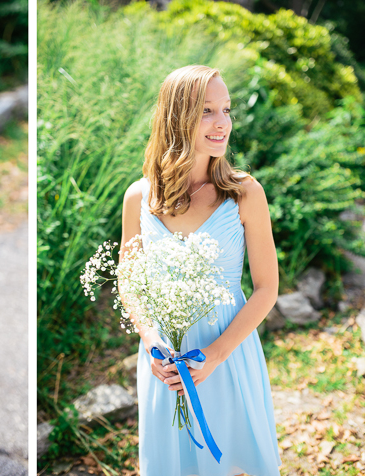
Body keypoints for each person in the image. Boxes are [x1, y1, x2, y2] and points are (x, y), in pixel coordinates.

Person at [120, 65, 281, 475]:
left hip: (226, 352)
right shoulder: (138, 196)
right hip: (165, 362)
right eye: (207, 110)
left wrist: (214, 355)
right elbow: (129, 281)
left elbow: (266, 288)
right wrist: (152, 340)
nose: (222, 123)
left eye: (226, 110)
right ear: (178, 116)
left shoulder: (245, 193)